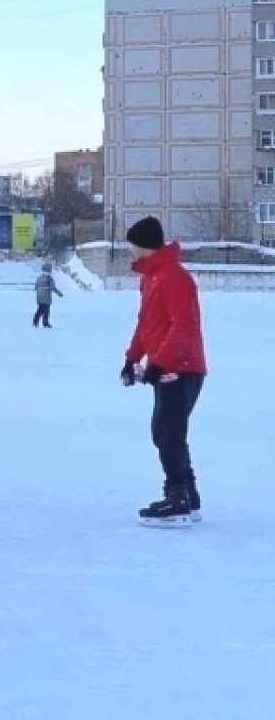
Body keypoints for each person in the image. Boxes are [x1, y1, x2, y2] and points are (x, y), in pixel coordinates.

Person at [119, 216, 207, 527]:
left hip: (181, 367)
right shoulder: (152, 278)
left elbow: (183, 327)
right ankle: (189, 497)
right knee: (170, 431)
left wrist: (159, 364)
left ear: (141, 245)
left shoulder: (174, 278)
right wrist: (132, 359)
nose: (130, 250)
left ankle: (178, 498)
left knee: (167, 431)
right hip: (168, 365)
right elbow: (147, 326)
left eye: (132, 244)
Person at [33, 262, 64, 328]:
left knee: (40, 310)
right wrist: (59, 293)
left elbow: (36, 287)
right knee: (46, 311)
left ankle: (35, 322)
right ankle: (45, 323)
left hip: (39, 297)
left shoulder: (39, 278)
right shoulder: (49, 278)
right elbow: (53, 287)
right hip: (46, 297)